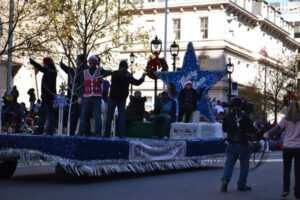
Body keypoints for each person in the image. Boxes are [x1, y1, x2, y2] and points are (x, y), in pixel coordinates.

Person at [221, 97, 259, 193]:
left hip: (231, 143)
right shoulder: (245, 116)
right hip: (243, 143)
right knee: (244, 166)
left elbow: (224, 129)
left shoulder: (227, 116)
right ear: (241, 105)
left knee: (229, 163)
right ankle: (241, 185)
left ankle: (225, 181)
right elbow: (251, 129)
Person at [264, 101, 300, 200]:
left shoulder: (285, 119)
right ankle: (298, 194)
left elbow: (276, 129)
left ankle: (285, 190)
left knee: (286, 170)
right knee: (298, 172)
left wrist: (266, 135)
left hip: (287, 147)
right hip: (298, 148)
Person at [104, 61, 146, 138]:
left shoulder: (127, 75)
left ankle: (121, 135)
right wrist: (127, 76)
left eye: (126, 68)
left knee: (121, 118)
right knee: (109, 116)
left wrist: (142, 78)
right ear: (120, 68)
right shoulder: (115, 73)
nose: (126, 69)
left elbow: (136, 82)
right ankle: (107, 134)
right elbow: (118, 77)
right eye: (124, 68)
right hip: (113, 98)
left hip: (122, 99)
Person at [77, 55, 112, 137]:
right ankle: (80, 132)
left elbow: (110, 72)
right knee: (84, 115)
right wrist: (79, 97)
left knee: (97, 115)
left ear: (96, 62)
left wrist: (102, 75)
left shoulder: (99, 71)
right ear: (88, 62)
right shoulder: (84, 72)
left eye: (93, 61)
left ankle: (98, 133)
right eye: (90, 61)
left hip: (97, 97)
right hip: (86, 97)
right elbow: (81, 86)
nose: (91, 62)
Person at [60, 54, 89, 136]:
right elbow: (69, 71)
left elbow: (82, 81)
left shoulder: (84, 69)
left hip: (81, 95)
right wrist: (62, 65)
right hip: (75, 95)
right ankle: (74, 132)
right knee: (76, 114)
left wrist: (75, 84)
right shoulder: (78, 69)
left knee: (80, 114)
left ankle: (82, 133)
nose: (76, 61)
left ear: (81, 60)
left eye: (77, 59)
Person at [29, 57, 57, 135]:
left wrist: (33, 62)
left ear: (47, 64)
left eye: (44, 63)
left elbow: (41, 68)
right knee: (42, 114)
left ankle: (49, 130)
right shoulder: (50, 71)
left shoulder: (50, 72)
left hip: (48, 97)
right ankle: (41, 130)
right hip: (46, 97)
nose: (43, 64)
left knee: (49, 115)